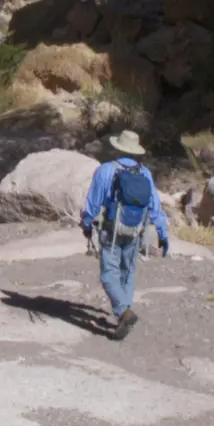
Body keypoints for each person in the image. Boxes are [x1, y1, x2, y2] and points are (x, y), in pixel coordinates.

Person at [80, 129, 171, 341]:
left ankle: (123, 313)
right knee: (127, 272)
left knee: (108, 273)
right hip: (136, 230)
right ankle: (125, 315)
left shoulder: (105, 170)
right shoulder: (145, 173)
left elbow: (94, 201)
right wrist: (162, 233)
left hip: (111, 229)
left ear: (117, 148)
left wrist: (86, 223)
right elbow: (154, 206)